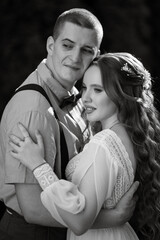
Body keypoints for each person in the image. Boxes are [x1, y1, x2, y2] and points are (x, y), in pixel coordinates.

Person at [0, 8, 138, 240]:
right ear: (51, 46)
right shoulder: (35, 109)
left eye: (86, 50)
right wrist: (114, 218)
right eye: (67, 45)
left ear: (96, 55)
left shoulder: (81, 97)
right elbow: (33, 209)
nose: (75, 58)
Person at [9, 52, 160, 240]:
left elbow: (79, 223)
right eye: (85, 87)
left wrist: (38, 165)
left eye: (98, 90)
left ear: (121, 95)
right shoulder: (128, 136)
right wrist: (115, 217)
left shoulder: (103, 144)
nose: (85, 97)